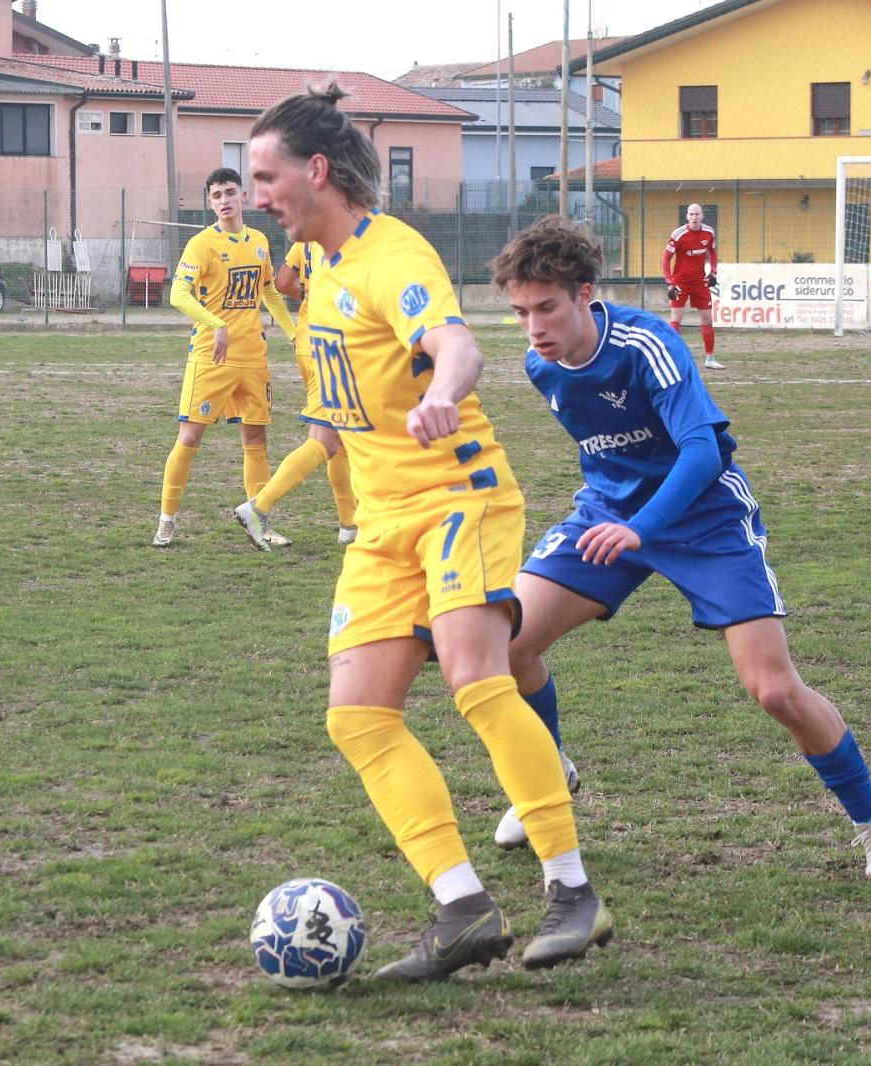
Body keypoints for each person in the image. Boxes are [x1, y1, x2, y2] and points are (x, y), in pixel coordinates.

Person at [248, 85, 614, 981]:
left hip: (461, 496)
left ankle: (572, 891)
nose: (257, 192)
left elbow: (455, 342)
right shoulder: (319, 269)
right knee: (358, 717)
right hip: (382, 522)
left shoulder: (393, 253)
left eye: (266, 175)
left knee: (475, 679)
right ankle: (462, 907)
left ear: (317, 172)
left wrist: (445, 391)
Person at [490, 216, 871, 882]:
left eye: (546, 307)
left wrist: (645, 526)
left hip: (706, 519)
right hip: (610, 518)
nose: (534, 326)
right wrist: (625, 521)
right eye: (519, 312)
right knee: (504, 644)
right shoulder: (540, 365)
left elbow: (701, 448)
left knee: (774, 690)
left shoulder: (646, 343)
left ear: (585, 294)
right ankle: (548, 774)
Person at [153, 167, 297, 548]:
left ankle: (261, 523)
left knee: (256, 439)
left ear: (243, 196)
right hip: (211, 356)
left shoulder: (260, 242)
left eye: (229, 192)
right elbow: (178, 296)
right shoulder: (200, 244)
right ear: (209, 202)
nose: (223, 201)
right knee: (189, 437)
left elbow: (270, 293)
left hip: (253, 357)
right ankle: (166, 521)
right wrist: (216, 322)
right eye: (216, 195)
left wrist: (296, 333)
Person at [233, 238, 358, 549]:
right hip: (330, 346)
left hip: (308, 344)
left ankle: (349, 525)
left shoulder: (309, 234)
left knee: (339, 438)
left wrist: (310, 293)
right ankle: (258, 506)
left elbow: (284, 281)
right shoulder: (346, 233)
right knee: (325, 440)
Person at [663, 203, 723, 370]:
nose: (694, 217)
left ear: (702, 216)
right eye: (691, 214)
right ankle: (670, 357)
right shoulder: (678, 234)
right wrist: (670, 283)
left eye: (697, 214)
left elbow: (713, 253)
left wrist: (713, 272)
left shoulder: (709, 233)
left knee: (707, 319)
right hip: (680, 282)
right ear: (687, 216)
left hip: (699, 282)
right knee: (676, 319)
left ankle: (710, 358)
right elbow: (665, 259)